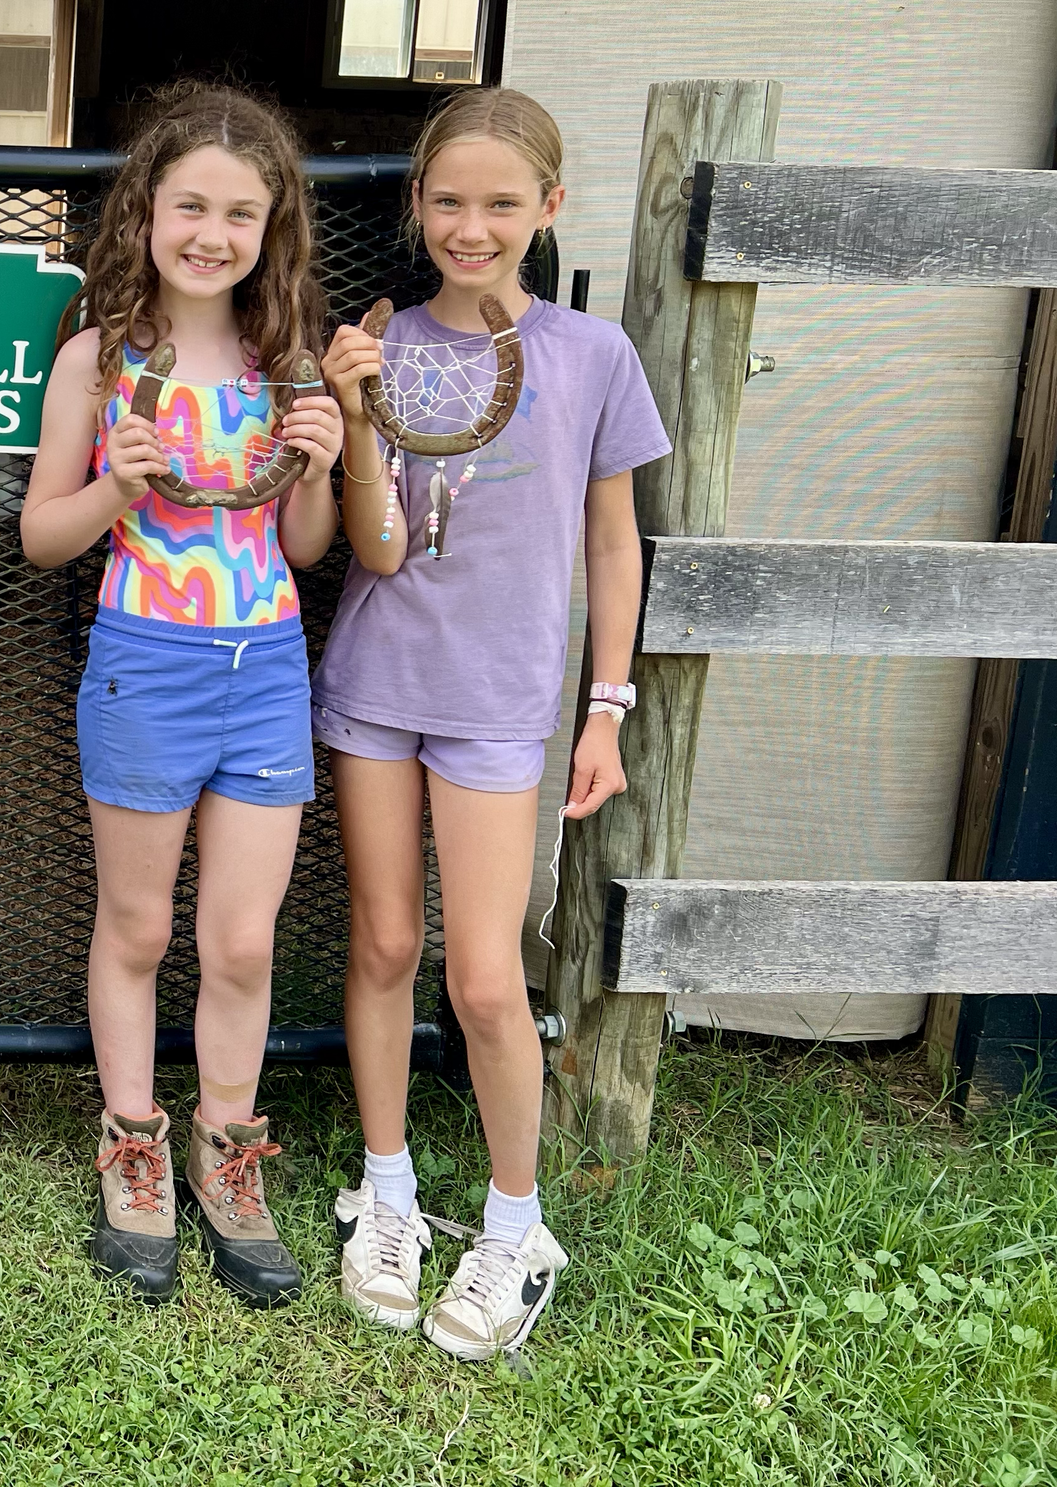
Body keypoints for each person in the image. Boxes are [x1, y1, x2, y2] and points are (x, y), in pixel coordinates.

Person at [315, 86, 669, 1360]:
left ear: (547, 209)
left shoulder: (592, 356)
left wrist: (606, 705)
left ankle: (514, 1229)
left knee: (484, 975)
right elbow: (373, 548)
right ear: (416, 207)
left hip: (501, 709)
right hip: (372, 690)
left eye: (501, 204)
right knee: (384, 945)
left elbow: (613, 537)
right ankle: (389, 1191)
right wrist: (352, 414)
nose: (472, 226)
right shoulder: (377, 342)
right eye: (449, 201)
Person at [20, 82, 344, 1307]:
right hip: (145, 660)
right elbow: (44, 533)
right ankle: (130, 1144)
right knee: (142, 927)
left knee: (243, 938)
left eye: (241, 214)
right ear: (146, 212)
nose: (212, 234)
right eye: (190, 207)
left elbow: (305, 546)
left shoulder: (282, 362)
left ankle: (227, 1152)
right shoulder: (98, 361)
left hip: (261, 668)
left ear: (272, 229)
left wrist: (319, 460)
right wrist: (119, 487)